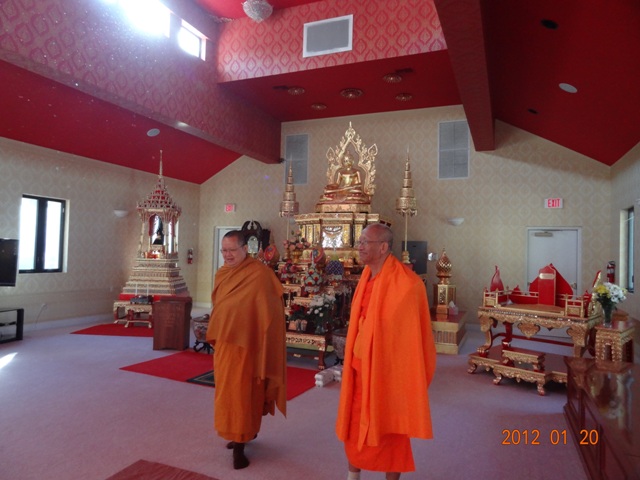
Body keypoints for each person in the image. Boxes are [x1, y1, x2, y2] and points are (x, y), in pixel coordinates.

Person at [335, 223, 436, 480]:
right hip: (360, 368)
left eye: (365, 242)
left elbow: (410, 339)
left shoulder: (408, 284)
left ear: (382, 247)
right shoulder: (366, 277)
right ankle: (353, 475)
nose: (359, 246)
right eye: (359, 241)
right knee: (354, 423)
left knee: (391, 428)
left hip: (389, 373)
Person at [205, 230, 287, 470]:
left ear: (245, 249)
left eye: (232, 250)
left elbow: (271, 312)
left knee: (243, 393)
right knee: (226, 392)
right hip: (226, 344)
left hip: (249, 346)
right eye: (224, 250)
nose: (227, 255)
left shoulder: (260, 274)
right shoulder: (222, 273)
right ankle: (235, 433)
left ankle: (241, 443)